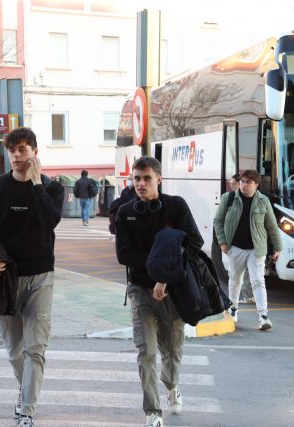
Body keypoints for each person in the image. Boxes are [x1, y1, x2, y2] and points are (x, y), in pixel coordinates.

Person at [0, 127, 63, 427]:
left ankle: (26, 410)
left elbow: (50, 221)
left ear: (35, 152)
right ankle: (25, 391)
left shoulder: (51, 188)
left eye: (22, 150)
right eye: (12, 151)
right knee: (14, 351)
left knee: (35, 347)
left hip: (41, 275)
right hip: (6, 279)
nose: (16, 156)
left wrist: (36, 184)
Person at [115, 156, 203, 427]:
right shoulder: (125, 211)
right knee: (147, 352)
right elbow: (124, 254)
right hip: (140, 290)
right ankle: (153, 412)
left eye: (146, 178)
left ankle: (172, 384)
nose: (140, 184)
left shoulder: (176, 207)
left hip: (173, 291)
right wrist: (159, 264)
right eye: (136, 179)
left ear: (159, 179)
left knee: (173, 351)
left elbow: (194, 242)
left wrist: (165, 275)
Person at [213, 169, 282, 331]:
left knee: (258, 281)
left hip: (256, 249)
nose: (244, 185)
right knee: (235, 280)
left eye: (248, 182)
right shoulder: (228, 198)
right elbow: (217, 221)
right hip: (234, 247)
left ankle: (263, 316)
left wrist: (278, 247)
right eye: (242, 181)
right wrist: (222, 242)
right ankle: (233, 310)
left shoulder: (263, 201)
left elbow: (272, 226)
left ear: (256, 185)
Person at [224, 174, 255, 304]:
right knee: (238, 275)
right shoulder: (230, 198)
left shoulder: (252, 199)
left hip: (247, 244)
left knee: (245, 273)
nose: (231, 186)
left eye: (233, 184)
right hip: (236, 243)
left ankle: (247, 296)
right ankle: (244, 297)